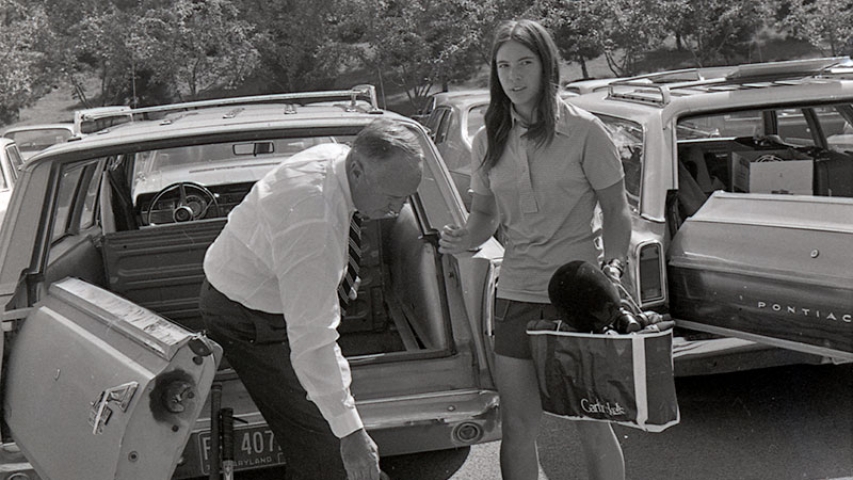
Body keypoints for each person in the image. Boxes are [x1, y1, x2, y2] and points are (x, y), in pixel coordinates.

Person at [438, 19, 631, 480]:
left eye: (525, 63)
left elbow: (617, 211)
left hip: (578, 295)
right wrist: (465, 236)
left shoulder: (586, 131)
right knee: (519, 424)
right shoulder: (487, 137)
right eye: (504, 65)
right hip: (517, 292)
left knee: (591, 420)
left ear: (547, 68)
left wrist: (615, 269)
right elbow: (484, 216)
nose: (513, 75)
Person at [199, 118, 424, 480]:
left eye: (404, 199)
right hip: (246, 318)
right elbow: (311, 339)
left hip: (262, 297)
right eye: (391, 197)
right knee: (330, 454)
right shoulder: (313, 225)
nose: (396, 210)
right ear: (357, 169)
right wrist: (351, 433)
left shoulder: (337, 159)